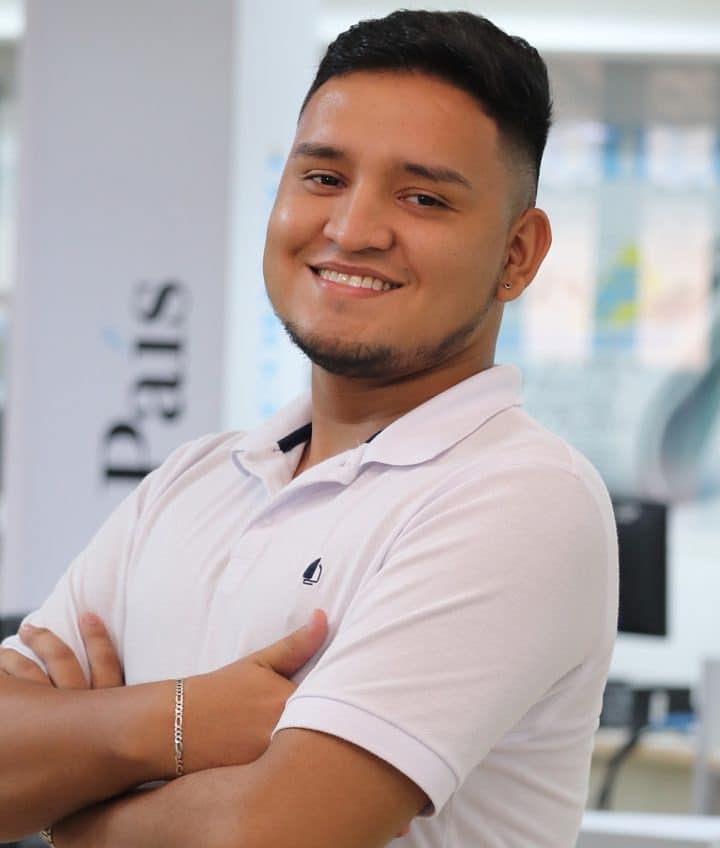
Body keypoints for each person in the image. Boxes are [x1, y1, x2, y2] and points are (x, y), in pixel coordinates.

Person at [0, 9, 618, 848]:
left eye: (423, 197)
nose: (353, 229)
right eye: (323, 179)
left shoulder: (521, 496)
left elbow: (270, 834)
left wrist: (69, 805)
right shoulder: (197, 479)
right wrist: (174, 724)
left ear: (517, 254)